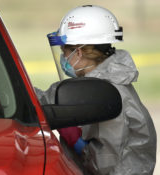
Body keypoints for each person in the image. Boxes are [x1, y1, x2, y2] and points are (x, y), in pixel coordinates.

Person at [35, 5, 157, 175]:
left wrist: (76, 141)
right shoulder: (95, 83)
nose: (63, 58)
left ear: (78, 53)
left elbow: (104, 165)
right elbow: (41, 100)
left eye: (65, 52)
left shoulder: (106, 94)